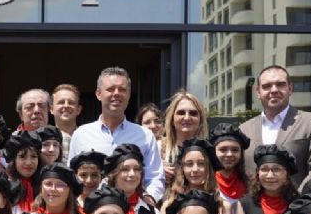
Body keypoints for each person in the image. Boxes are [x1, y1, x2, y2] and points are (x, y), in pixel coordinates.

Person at [67, 67, 166, 202]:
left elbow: (155, 177)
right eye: (110, 89)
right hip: (90, 210)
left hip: (133, 210)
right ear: (98, 94)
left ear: (129, 95)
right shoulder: (81, 134)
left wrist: (148, 200)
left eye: (122, 89)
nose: (116, 93)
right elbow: (71, 177)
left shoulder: (145, 135)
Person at [239, 65, 311, 189]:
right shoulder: (244, 129)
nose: (274, 90)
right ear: (258, 92)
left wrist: (299, 197)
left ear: (290, 89)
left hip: (297, 199)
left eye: (280, 84)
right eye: (267, 86)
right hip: (253, 200)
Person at [103, 143, 165, 214]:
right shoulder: (101, 210)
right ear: (113, 174)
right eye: (125, 169)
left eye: (136, 169)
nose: (132, 174)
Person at [162, 138, 230, 214]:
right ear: (182, 168)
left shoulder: (223, 207)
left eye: (201, 163)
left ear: (208, 168)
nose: (195, 169)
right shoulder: (169, 204)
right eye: (189, 164)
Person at [232, 145, 298, 214]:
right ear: (258, 173)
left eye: (276, 169)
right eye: (264, 169)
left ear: (287, 176)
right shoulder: (245, 204)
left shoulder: (298, 205)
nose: (270, 175)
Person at [160, 91, 208, 185]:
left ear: (200, 120)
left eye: (193, 113)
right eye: (181, 113)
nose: (186, 117)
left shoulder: (209, 151)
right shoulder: (157, 149)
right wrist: (156, 171)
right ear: (172, 119)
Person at [210, 123, 251, 211]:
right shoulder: (205, 183)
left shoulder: (250, 185)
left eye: (235, 150)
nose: (229, 154)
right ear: (213, 152)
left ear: (241, 154)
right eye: (223, 150)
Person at [4, 131, 42, 214]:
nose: (28, 162)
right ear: (14, 160)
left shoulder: (45, 188)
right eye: (22, 157)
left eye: (33, 156)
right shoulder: (4, 187)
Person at [51, 84, 82, 157]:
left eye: (71, 102)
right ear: (51, 109)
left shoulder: (88, 137)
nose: (66, 105)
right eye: (61, 102)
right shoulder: (43, 140)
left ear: (78, 109)